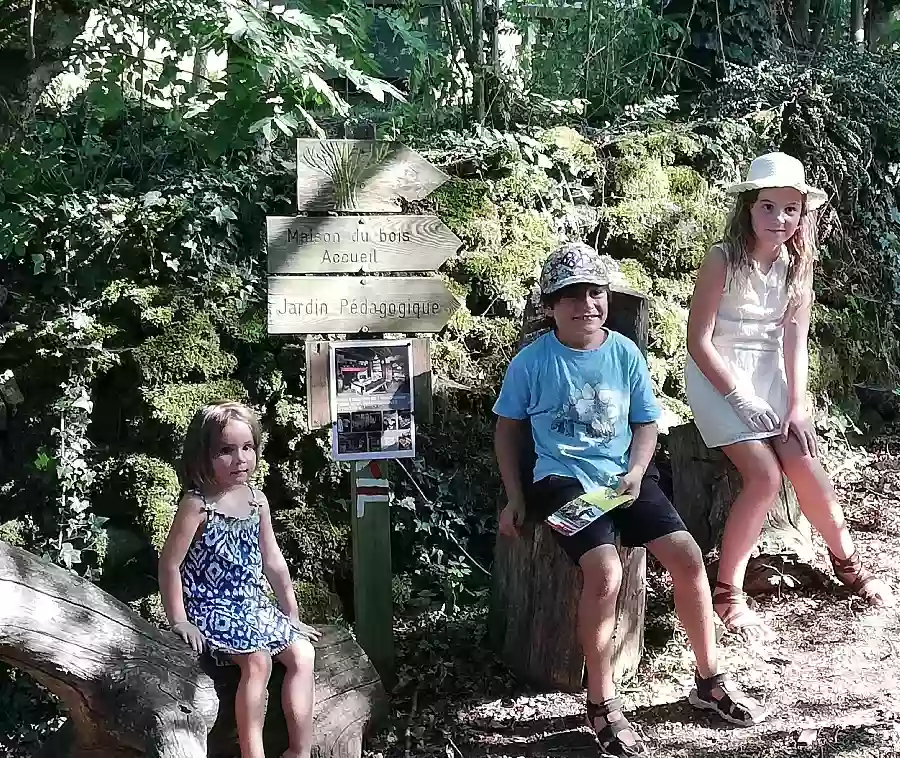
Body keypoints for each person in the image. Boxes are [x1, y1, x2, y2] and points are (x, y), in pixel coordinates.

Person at [494, 243, 766, 757]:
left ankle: (709, 680)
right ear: (549, 305)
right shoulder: (531, 362)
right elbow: (507, 430)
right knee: (605, 572)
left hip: (624, 477)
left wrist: (638, 473)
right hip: (561, 482)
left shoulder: (623, 352)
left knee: (687, 557)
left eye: (595, 292)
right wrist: (514, 496)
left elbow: (645, 422)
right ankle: (601, 701)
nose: (586, 304)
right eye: (571, 294)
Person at [685, 151, 895, 641]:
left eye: (790, 209)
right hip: (718, 375)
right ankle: (727, 591)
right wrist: (737, 396)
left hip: (770, 375)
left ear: (803, 214)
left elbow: (793, 342)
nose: (779, 219)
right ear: (748, 208)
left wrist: (796, 406)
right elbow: (698, 340)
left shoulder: (798, 265)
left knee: (803, 459)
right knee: (763, 476)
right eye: (767, 207)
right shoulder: (722, 259)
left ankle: (846, 562)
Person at [158, 401, 319, 758]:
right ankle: (253, 754)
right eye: (226, 451)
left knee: (303, 653)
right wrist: (179, 619)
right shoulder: (197, 505)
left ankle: (300, 750)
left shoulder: (257, 501)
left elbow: (273, 561)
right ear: (204, 455)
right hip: (210, 606)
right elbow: (170, 564)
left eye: (248, 448)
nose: (240, 459)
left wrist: (290, 613)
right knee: (258, 660)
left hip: (251, 604)